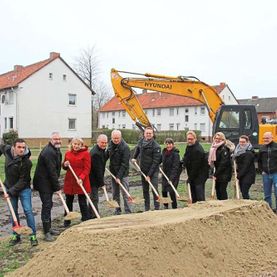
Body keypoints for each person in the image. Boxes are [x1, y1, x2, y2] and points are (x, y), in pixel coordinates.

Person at [0, 139, 38, 246]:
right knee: (13, 212)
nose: (22, 149)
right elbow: (0, 147)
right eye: (19, 147)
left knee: (28, 211)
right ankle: (16, 235)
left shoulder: (26, 162)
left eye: (23, 147)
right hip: (9, 185)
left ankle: (33, 235)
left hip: (23, 188)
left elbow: (23, 181)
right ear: (13, 147)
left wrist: (10, 192)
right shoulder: (7, 150)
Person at [33, 132, 62, 242]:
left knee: (49, 205)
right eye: (55, 139)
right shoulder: (49, 152)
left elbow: (56, 168)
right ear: (51, 139)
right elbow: (52, 172)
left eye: (59, 139)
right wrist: (57, 187)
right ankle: (46, 232)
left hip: (48, 182)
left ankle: (49, 228)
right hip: (43, 183)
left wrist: (55, 186)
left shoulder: (56, 150)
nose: (58, 141)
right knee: (47, 205)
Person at [62, 137, 91, 227]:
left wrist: (81, 178)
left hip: (81, 181)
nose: (76, 146)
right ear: (72, 144)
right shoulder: (67, 153)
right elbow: (64, 167)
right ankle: (67, 220)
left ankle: (85, 219)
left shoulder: (85, 154)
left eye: (78, 144)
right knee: (68, 201)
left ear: (81, 145)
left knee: (82, 201)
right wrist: (65, 164)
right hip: (70, 180)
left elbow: (87, 168)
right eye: (74, 144)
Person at [132, 127, 161, 211]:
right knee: (145, 190)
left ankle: (156, 207)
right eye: (147, 133)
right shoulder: (141, 142)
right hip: (143, 170)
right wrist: (134, 157)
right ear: (144, 134)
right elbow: (138, 149)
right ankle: (147, 208)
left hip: (153, 171)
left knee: (154, 189)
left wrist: (149, 175)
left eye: (150, 133)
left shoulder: (156, 146)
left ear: (152, 134)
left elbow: (156, 162)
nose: (148, 134)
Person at [107, 130, 132, 215]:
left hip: (123, 174)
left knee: (125, 193)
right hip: (113, 173)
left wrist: (119, 176)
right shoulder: (110, 144)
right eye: (114, 138)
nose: (116, 140)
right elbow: (107, 155)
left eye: (117, 138)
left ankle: (128, 211)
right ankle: (117, 210)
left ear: (121, 137)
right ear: (111, 137)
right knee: (115, 193)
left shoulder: (125, 147)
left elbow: (124, 164)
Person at [183, 131, 208, 203]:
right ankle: (194, 206)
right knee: (193, 192)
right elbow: (186, 156)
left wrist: (190, 178)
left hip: (200, 175)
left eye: (191, 139)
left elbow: (196, 167)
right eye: (188, 139)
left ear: (195, 139)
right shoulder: (189, 146)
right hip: (193, 174)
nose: (189, 141)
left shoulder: (198, 150)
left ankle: (202, 207)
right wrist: (183, 163)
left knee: (199, 193)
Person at [89, 134, 108, 218]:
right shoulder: (95, 153)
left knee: (93, 197)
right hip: (92, 179)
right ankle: (94, 216)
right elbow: (98, 171)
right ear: (98, 142)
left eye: (105, 143)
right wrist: (102, 183)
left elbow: (103, 160)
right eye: (102, 142)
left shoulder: (100, 150)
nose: (104, 144)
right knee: (94, 198)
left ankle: (90, 213)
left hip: (95, 178)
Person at [208, 132, 232, 200]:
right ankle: (219, 204)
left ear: (223, 139)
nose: (217, 140)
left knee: (222, 190)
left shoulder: (224, 149)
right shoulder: (214, 147)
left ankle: (224, 205)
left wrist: (215, 174)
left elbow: (223, 163)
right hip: (218, 173)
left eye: (219, 138)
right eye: (216, 138)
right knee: (217, 190)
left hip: (224, 174)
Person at [258, 132, 277, 211]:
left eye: (267, 138)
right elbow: (259, 161)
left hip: (275, 173)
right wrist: (261, 170)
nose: (265, 140)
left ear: (272, 138)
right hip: (265, 174)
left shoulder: (276, 147)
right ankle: (269, 210)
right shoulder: (262, 148)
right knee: (267, 194)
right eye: (264, 138)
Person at [233, 135, 256, 199]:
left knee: (244, 192)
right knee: (243, 192)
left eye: (243, 142)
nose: (241, 143)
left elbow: (246, 166)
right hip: (242, 175)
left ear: (247, 142)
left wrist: (239, 175)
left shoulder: (249, 153)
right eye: (240, 142)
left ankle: (248, 205)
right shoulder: (237, 151)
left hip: (248, 175)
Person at [161, 138, 181, 209]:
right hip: (165, 175)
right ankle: (166, 207)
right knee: (163, 191)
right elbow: (160, 160)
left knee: (172, 192)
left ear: (173, 144)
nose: (168, 145)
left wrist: (171, 179)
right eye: (166, 144)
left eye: (169, 144)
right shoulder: (164, 152)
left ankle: (174, 207)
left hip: (173, 176)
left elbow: (175, 167)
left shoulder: (176, 154)